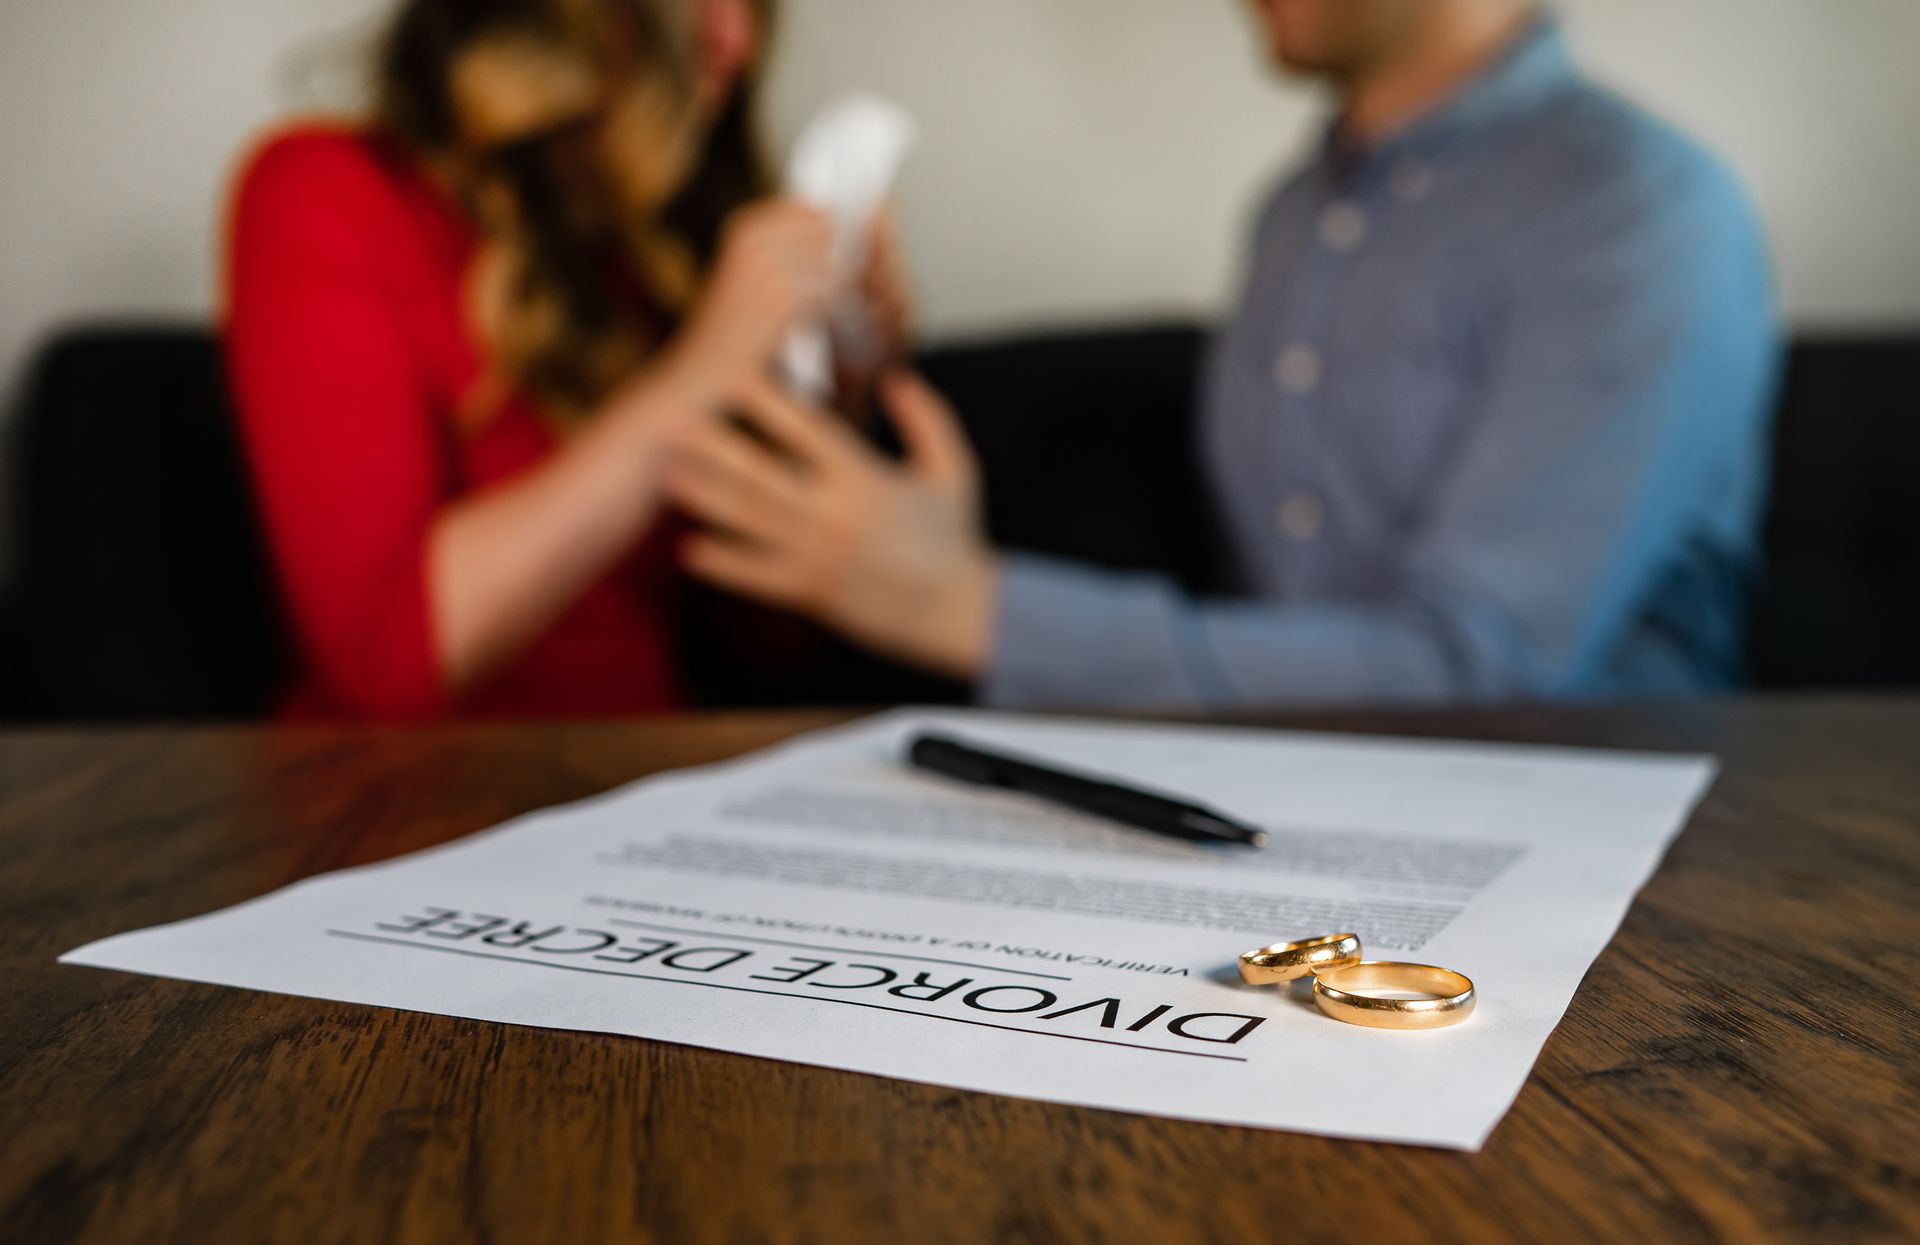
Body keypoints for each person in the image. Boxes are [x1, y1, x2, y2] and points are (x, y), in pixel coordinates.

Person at [665, 0, 1780, 708]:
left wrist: (970, 608)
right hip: (1282, 823)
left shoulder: (1638, 210)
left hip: (1586, 871)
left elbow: (1480, 671)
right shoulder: (1292, 216)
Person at [226, 0, 905, 718]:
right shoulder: (319, 191)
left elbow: (762, 644)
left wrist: (834, 392)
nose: (735, 37)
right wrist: (702, 371)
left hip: (638, 784)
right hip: (415, 805)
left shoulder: (648, 251)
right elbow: (383, 664)